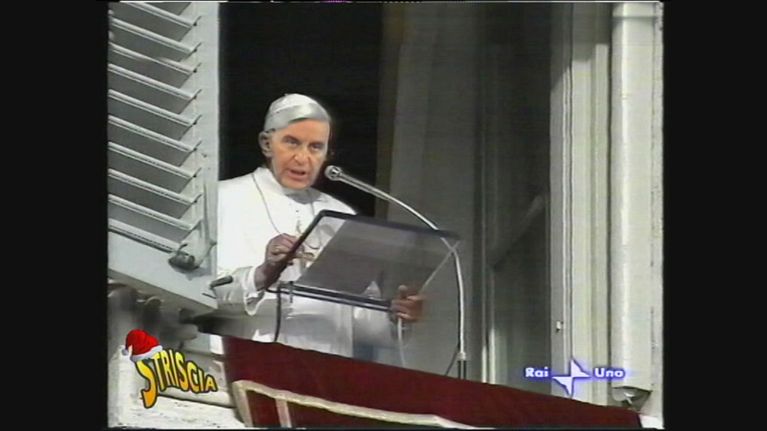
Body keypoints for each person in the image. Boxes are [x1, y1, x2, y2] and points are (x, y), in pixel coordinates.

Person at [211, 93, 423, 357]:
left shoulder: (340, 214)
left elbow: (357, 317)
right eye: (292, 142)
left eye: (315, 147)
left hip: (327, 365)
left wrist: (396, 315)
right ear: (266, 144)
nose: (303, 158)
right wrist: (263, 273)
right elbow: (201, 294)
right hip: (247, 358)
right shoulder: (224, 198)